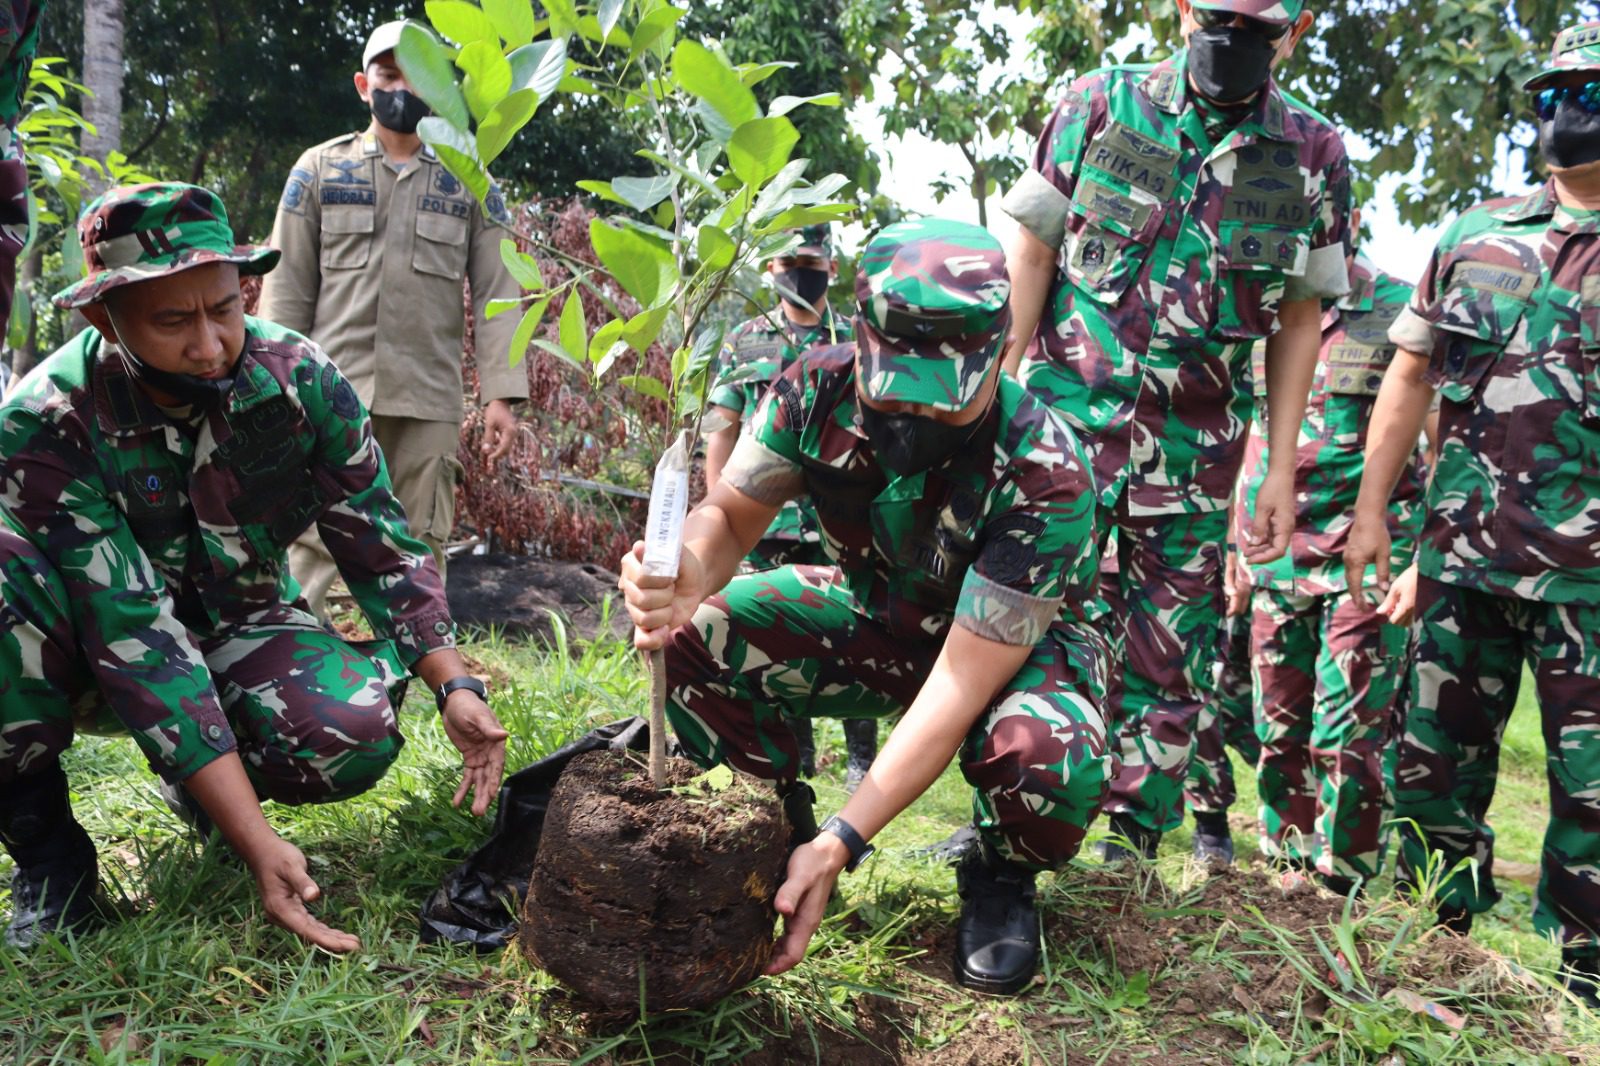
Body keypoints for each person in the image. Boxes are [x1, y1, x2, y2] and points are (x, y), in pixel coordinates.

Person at [0, 183, 509, 951]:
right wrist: (258, 844)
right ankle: (48, 854)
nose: (209, 346)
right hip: (85, 652)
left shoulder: (300, 378)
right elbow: (134, 631)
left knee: (350, 731)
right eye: (173, 321)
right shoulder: (45, 422)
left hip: (238, 620)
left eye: (225, 309)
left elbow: (376, 538)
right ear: (105, 317)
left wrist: (454, 684)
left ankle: (200, 787)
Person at [620, 220, 1109, 995]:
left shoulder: (1045, 473)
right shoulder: (812, 387)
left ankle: (1000, 873)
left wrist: (848, 837)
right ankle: (775, 829)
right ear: (862, 340)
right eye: (893, 397)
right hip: (877, 616)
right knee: (703, 634)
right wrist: (685, 567)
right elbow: (732, 517)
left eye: (939, 405)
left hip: (1008, 659)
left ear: (998, 356)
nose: (909, 425)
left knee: (1046, 754)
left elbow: (959, 684)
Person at [1000, 0, 1352, 859]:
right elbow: (1034, 250)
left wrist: (1274, 471)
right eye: (1220, 15)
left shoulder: (1313, 153)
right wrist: (998, 391)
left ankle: (1130, 855)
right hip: (1063, 435)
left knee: (1169, 661)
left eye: (1261, 28)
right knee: (1026, 633)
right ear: (1185, 8)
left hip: (1198, 462)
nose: (1235, 38)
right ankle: (1008, 835)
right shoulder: (1097, 104)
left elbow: (1300, 318)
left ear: (1294, 34)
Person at [1345, 20, 1600, 1007]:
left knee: (1592, 791)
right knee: (1430, 773)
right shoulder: (1473, 234)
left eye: (1588, 92)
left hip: (1589, 579)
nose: (1567, 113)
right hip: (1463, 560)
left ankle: (1584, 982)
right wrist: (1373, 514)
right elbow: (1408, 374)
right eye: (1550, 95)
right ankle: (1436, 950)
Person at [257, 20, 527, 617]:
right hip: (328, 395)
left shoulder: (469, 179)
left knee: (419, 545)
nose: (400, 88)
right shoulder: (319, 170)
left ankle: (416, 682)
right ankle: (295, 675)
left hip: (426, 401)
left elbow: (499, 290)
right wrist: (274, 390)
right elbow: (286, 285)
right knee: (311, 540)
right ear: (363, 85)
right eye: (387, 74)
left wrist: (502, 396)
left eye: (415, 75)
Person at [1236, 232, 1425, 895]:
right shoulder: (1263, 306)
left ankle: (1339, 887)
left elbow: (1439, 432)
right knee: (1275, 726)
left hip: (1366, 556)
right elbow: (1254, 426)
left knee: (1344, 735)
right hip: (1277, 559)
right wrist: (1239, 539)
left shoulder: (1401, 307)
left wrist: (1420, 557)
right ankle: (1283, 876)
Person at [703, 223, 876, 790]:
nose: (800, 269)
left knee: (854, 630)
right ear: (771, 268)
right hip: (764, 521)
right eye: (789, 259)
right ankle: (795, 755)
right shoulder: (746, 339)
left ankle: (861, 762)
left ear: (830, 266)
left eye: (811, 259)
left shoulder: (855, 336)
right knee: (777, 637)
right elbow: (722, 429)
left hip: (840, 518)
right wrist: (713, 510)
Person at [1183, 574, 1258, 865]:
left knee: (1256, 707)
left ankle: (1301, 815)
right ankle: (1210, 818)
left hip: (1268, 566)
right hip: (1206, 567)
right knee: (1201, 691)